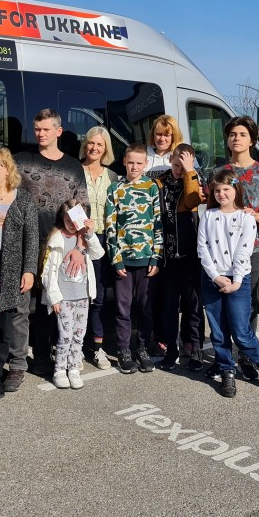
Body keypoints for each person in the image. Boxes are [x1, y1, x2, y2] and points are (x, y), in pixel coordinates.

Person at [14, 109, 90, 380]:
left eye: (46, 129)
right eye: (37, 129)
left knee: (61, 300)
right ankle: (40, 356)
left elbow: (83, 210)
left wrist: (80, 247)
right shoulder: (22, 161)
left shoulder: (73, 167)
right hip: (30, 241)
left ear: (58, 131)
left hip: (62, 244)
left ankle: (65, 353)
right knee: (35, 304)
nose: (41, 134)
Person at [198, 169, 259, 398]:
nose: (222, 194)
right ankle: (226, 370)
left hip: (238, 279)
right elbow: (202, 248)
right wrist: (215, 276)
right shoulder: (208, 215)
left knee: (241, 331)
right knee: (218, 330)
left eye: (226, 189)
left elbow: (244, 251)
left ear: (236, 191)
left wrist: (235, 280)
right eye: (217, 190)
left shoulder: (246, 217)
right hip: (212, 278)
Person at [211, 115, 259, 381]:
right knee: (221, 305)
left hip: (251, 248)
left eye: (242, 134)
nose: (237, 138)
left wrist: (251, 215)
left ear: (252, 140)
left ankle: (247, 354)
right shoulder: (218, 172)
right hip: (220, 248)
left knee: (247, 305)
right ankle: (225, 359)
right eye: (233, 134)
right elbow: (212, 209)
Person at [0, 148, 38, 398]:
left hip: (13, 266)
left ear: (7, 169)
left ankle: (16, 366)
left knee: (15, 316)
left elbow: (32, 237)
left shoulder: (22, 198)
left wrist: (29, 270)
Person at [104, 142, 163, 374]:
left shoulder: (151, 188)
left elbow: (158, 224)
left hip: (147, 260)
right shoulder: (115, 189)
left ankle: (142, 348)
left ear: (145, 164)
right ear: (124, 162)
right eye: (131, 162)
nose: (135, 167)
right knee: (123, 308)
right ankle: (124, 350)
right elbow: (110, 225)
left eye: (139, 163)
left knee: (146, 308)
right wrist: (115, 258)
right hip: (123, 262)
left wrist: (156, 257)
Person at [41, 199, 105, 390]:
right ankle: (60, 369)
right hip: (64, 297)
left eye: (74, 219)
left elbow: (98, 254)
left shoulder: (83, 237)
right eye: (66, 218)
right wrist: (54, 298)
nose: (70, 223)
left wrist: (90, 234)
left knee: (79, 334)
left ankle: (74, 368)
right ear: (62, 217)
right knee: (65, 334)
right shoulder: (57, 238)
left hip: (82, 296)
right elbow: (47, 272)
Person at [153, 142, 205, 371]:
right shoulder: (159, 182)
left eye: (183, 166)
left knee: (193, 304)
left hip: (190, 254)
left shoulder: (193, 181)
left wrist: (189, 172)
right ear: (170, 161)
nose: (178, 169)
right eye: (176, 164)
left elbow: (194, 201)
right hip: (167, 256)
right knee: (168, 306)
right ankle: (171, 349)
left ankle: (195, 349)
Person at [80, 126, 119, 369]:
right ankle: (74, 346)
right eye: (91, 143)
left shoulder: (113, 177)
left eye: (100, 145)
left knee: (99, 297)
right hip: (79, 240)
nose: (95, 148)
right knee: (77, 296)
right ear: (85, 144)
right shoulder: (74, 170)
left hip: (104, 241)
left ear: (106, 149)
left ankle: (97, 348)